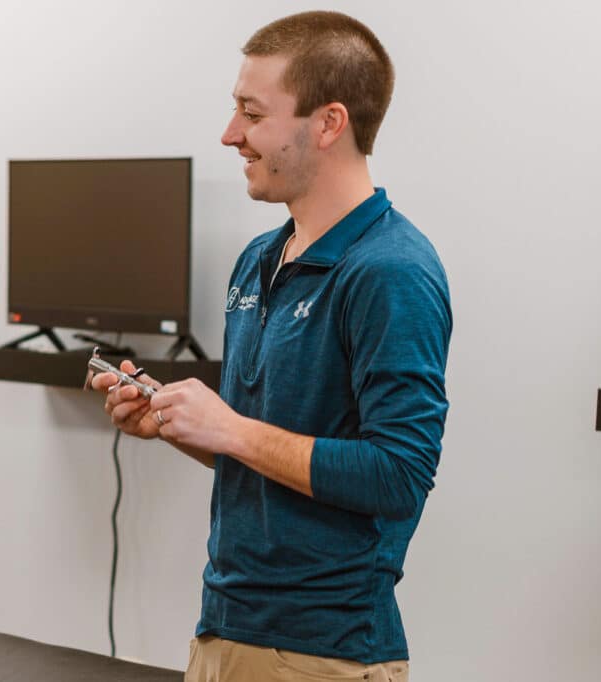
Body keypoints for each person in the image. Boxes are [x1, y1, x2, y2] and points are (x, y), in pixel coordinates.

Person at [93, 11, 451, 682]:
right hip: (225, 629)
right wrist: (178, 426)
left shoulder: (392, 269)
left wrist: (229, 428)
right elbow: (263, 450)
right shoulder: (259, 259)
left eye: (251, 113)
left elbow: (399, 474)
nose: (231, 134)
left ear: (327, 123)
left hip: (323, 652)